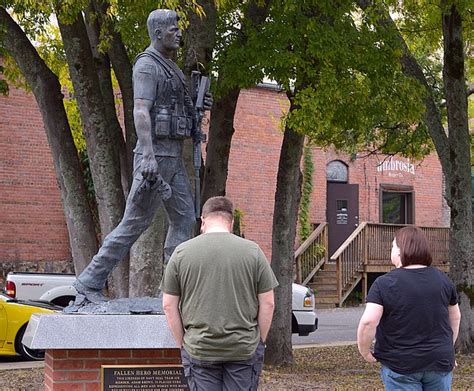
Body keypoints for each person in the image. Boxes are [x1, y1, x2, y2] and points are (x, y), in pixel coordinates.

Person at [72, 9, 211, 304]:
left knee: (185, 220)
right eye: (173, 30)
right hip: (155, 158)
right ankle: (89, 281)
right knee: (135, 222)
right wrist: (147, 155)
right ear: (158, 33)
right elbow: (140, 110)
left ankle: (174, 291)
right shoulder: (148, 66)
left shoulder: (171, 68)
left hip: (172, 156)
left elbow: (175, 108)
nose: (178, 33)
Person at [162, 196, 278, 391]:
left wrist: (184, 343)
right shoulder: (253, 252)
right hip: (243, 349)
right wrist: (259, 341)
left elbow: (168, 305)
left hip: (200, 348)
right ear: (231, 222)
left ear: (203, 220)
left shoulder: (182, 253)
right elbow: (268, 303)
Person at [357, 226, 461, 391]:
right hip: (439, 361)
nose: (391, 251)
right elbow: (455, 317)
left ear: (400, 251)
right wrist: (447, 347)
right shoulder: (443, 280)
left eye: (393, 246)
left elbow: (369, 321)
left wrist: (364, 351)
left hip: (400, 365)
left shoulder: (384, 283)